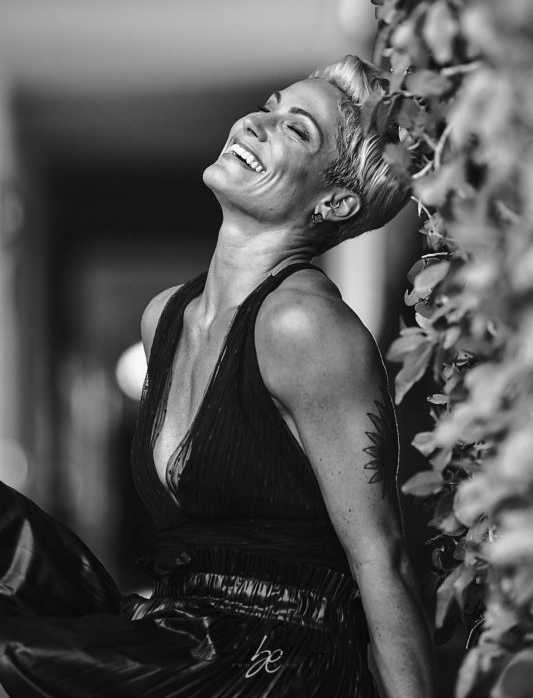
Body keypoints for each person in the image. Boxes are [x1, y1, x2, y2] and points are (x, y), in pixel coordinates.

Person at [0, 55, 436, 697]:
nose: (257, 122)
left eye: (297, 129)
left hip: (271, 664)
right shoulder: (165, 318)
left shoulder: (305, 327)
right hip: (177, 629)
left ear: (336, 200)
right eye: (271, 105)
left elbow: (382, 559)